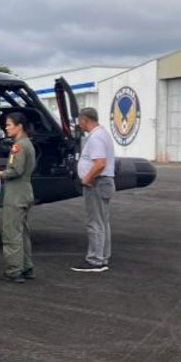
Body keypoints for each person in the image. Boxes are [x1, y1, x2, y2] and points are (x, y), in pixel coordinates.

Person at [72, 107, 115, 273]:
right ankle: (103, 257)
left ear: (84, 120)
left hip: (97, 183)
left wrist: (87, 179)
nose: (79, 125)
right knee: (103, 222)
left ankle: (95, 260)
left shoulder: (95, 138)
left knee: (95, 222)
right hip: (104, 182)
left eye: (79, 121)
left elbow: (100, 163)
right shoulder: (102, 134)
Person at [0, 112, 36, 283]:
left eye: (9, 124)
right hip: (26, 191)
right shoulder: (28, 144)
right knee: (23, 232)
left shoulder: (18, 146)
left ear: (19, 126)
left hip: (16, 194)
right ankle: (27, 266)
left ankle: (14, 270)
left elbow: (16, 170)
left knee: (11, 232)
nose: (6, 128)